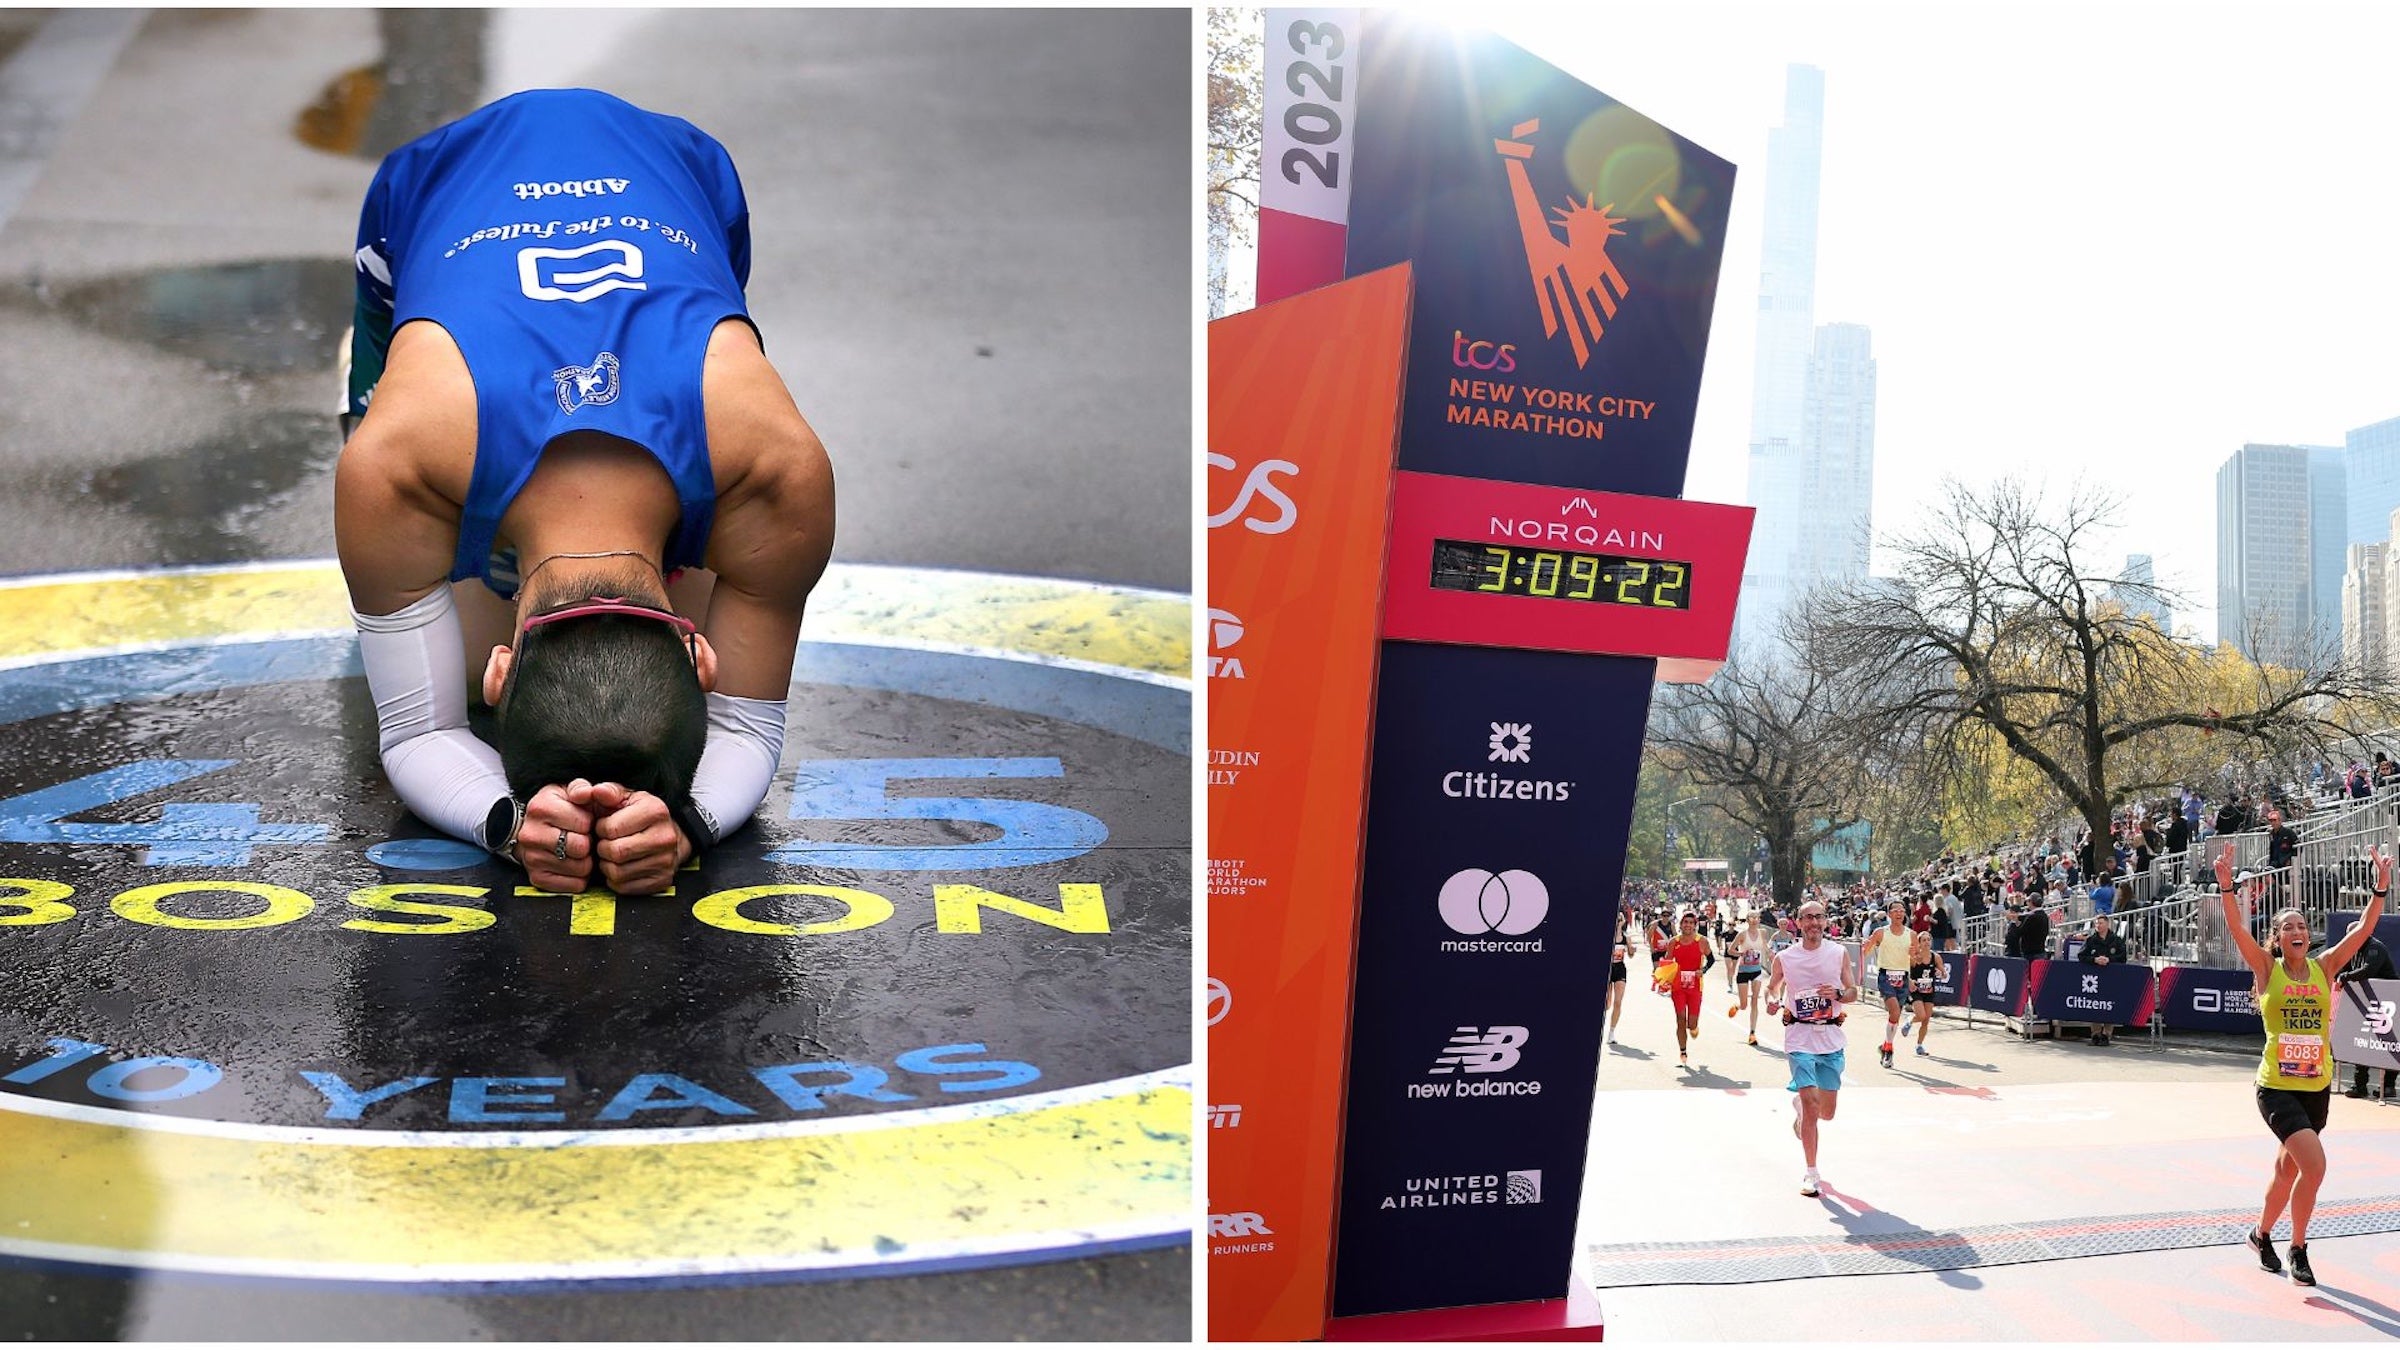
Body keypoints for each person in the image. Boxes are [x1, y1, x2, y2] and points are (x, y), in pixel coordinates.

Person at [337, 90, 836, 895]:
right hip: (444, 188)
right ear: (699, 655)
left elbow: (420, 738)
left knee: (465, 655)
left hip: (676, 174)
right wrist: (690, 820)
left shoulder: (776, 466)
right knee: (457, 662)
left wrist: (519, 821)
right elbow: (749, 723)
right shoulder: (391, 459)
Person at [2215, 841, 2390, 1288]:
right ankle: (2299, 1248)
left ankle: (2260, 1233)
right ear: (2278, 938)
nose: (2297, 930)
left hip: (2317, 1087)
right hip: (2275, 1086)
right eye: (2288, 926)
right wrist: (2228, 888)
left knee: (2286, 1169)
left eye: (2303, 925)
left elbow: (2364, 929)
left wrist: (2381, 887)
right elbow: (2237, 930)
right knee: (2314, 1167)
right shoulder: (2266, 968)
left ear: (2308, 937)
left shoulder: (2325, 966)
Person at [1765, 899, 1855, 1197]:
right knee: (1812, 1104)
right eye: (1808, 918)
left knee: (1826, 1113)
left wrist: (1840, 993)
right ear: (1798, 923)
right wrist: (1771, 999)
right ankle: (1811, 1173)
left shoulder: (1838, 952)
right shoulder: (1786, 957)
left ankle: (1801, 1113)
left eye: (1819, 917)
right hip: (1799, 1037)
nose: (1814, 923)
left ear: (1825, 921)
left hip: (1830, 1039)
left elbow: (1852, 990)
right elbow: (1772, 986)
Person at [2337, 928, 2398, 1100]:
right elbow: (2343, 968)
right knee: (2361, 1043)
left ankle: (2388, 1087)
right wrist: (2336, 976)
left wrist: (2345, 976)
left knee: (2390, 1044)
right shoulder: (2353, 948)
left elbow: (2368, 970)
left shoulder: (2374, 947)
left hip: (2388, 1002)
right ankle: (2360, 1085)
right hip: (2366, 1002)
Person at [1865, 901, 1913, 1069]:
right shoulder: (1880, 932)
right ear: (1889, 914)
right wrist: (1866, 946)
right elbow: (1866, 951)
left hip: (1903, 977)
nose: (1899, 913)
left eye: (1902, 910)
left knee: (1896, 1016)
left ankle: (1885, 1045)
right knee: (1893, 1010)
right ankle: (1889, 1051)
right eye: (1895, 910)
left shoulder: (1911, 934)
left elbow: (1914, 959)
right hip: (1886, 975)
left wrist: (1912, 975)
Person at [1665, 911, 1716, 1067]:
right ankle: (1683, 1051)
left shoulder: (1702, 941)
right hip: (1678, 986)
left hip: (1695, 987)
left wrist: (1704, 970)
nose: (1687, 925)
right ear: (1681, 924)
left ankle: (1694, 1028)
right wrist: (1664, 978)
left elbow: (1711, 959)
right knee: (1680, 1019)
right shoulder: (1674, 941)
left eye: (1691, 923)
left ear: (1695, 925)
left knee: (1691, 1024)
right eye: (1685, 922)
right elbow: (1667, 961)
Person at [2080, 913, 2130, 1046]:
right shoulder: (2091, 940)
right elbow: (2081, 956)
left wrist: (2109, 960)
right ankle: (2095, 1034)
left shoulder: (2116, 940)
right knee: (2096, 1005)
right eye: (2096, 923)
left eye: (2100, 923)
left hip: (2111, 978)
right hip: (2094, 979)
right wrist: (2094, 960)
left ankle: (2107, 1034)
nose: (2098, 926)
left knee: (2110, 1005)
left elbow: (2123, 957)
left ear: (2107, 924)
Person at [1729, 911, 1770, 1046]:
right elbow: (1730, 950)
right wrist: (1742, 953)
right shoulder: (1742, 934)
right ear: (1747, 920)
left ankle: (1752, 1033)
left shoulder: (1763, 932)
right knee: (1745, 1005)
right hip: (1743, 970)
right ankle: (1738, 1006)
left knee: (1754, 1001)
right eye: (1751, 918)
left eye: (1756, 918)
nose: (1754, 920)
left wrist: (1771, 954)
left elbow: (1764, 946)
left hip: (1757, 970)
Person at [1905, 927, 1946, 1058]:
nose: (1927, 942)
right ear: (1919, 943)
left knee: (1926, 1019)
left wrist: (1941, 973)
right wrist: (1910, 981)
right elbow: (1905, 971)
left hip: (1929, 990)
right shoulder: (1914, 957)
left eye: (1929, 939)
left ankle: (1919, 1045)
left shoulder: (1936, 957)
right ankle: (1910, 1020)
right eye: (1924, 940)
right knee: (1921, 1015)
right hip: (1916, 989)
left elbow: (1944, 974)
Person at [1606, 913, 1632, 1045]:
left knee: (1618, 1002)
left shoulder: (1626, 938)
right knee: (1607, 1005)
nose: (1618, 921)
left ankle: (1611, 1032)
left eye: (1620, 919)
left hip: (1620, 969)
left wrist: (1632, 949)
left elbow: (1631, 955)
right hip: (1608, 970)